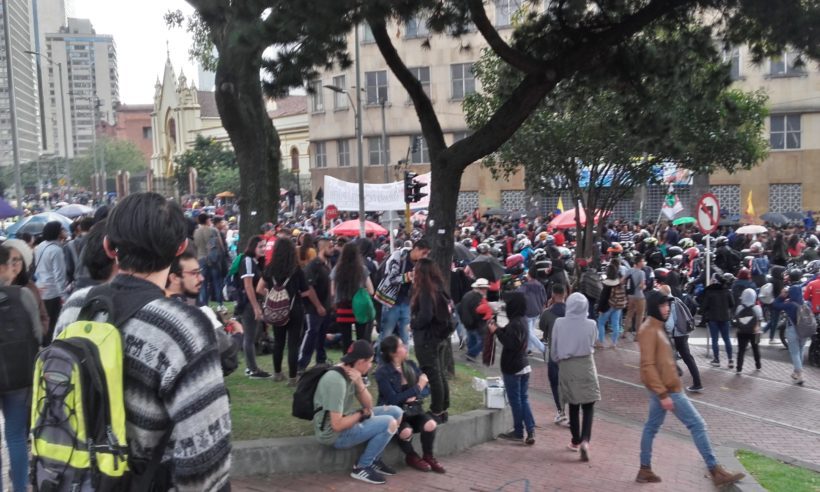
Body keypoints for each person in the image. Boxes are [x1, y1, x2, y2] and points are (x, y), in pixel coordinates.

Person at [54, 192, 232, 491]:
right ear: (180, 248)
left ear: (109, 246)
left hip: (76, 477)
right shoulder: (183, 328)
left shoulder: (76, 308)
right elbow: (206, 463)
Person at [636, 291, 744, 487]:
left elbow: (659, 359)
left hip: (666, 387)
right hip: (667, 390)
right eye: (662, 305)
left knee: (651, 427)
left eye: (667, 305)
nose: (667, 308)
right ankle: (715, 470)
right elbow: (647, 367)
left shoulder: (657, 327)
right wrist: (662, 394)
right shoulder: (649, 330)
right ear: (654, 307)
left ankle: (644, 468)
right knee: (697, 425)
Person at [313, 340, 403, 485]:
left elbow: (369, 405)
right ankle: (362, 467)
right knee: (389, 423)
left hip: (346, 419)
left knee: (396, 412)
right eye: (370, 362)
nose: (371, 366)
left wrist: (359, 383)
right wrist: (361, 414)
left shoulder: (351, 373)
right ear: (361, 361)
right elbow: (336, 425)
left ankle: (374, 460)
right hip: (334, 435)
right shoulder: (336, 381)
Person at [0, 244, 44, 492]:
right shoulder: (23, 295)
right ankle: (19, 487)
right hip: (20, 376)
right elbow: (38, 335)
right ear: (3, 267)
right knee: (16, 436)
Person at [257, 236, 326, 385]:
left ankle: (277, 373)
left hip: (276, 309)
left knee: (279, 342)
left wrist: (273, 296)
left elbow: (259, 288)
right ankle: (293, 378)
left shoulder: (269, 268)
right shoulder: (296, 270)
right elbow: (305, 290)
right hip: (295, 309)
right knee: (293, 343)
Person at [374, 336, 445, 473]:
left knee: (431, 424)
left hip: (415, 410)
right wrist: (417, 388)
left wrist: (415, 394)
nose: (405, 347)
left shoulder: (411, 365)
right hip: (396, 415)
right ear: (393, 352)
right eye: (401, 345)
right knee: (406, 431)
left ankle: (428, 456)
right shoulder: (382, 373)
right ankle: (411, 456)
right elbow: (393, 399)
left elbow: (426, 389)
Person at [551, 293, 600, 461]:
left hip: (567, 366)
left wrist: (559, 361)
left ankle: (575, 441)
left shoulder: (559, 323)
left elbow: (554, 350)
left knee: (573, 404)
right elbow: (594, 342)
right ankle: (586, 440)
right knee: (588, 405)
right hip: (586, 365)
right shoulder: (592, 324)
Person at [410, 257, 452, 423]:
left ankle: (436, 410)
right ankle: (443, 407)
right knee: (440, 373)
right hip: (440, 337)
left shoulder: (426, 291)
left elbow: (425, 315)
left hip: (428, 338)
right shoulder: (440, 288)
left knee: (433, 374)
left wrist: (413, 324)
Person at [492, 292, 536, 445]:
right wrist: (499, 327)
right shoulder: (522, 320)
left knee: (516, 401)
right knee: (523, 399)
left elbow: (511, 343)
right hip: (523, 365)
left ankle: (519, 431)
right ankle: (530, 430)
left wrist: (496, 331)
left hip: (513, 366)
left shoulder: (515, 322)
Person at [376, 239, 431, 347]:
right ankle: (380, 360)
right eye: (424, 253)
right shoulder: (398, 256)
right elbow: (391, 278)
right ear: (416, 249)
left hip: (407, 302)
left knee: (405, 337)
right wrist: (409, 276)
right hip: (391, 301)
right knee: (386, 334)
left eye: (427, 254)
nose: (425, 256)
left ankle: (402, 361)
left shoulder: (420, 264)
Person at [655, 283, 702, 392]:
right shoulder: (676, 299)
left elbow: (670, 325)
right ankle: (696, 382)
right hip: (683, 333)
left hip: (677, 335)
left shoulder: (670, 304)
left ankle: (676, 380)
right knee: (686, 358)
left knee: (671, 356)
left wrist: (663, 326)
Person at [331, 242, 375, 351]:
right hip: (359, 307)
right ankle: (359, 360)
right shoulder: (362, 269)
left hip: (342, 307)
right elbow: (371, 290)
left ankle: (346, 363)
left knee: (345, 338)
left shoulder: (337, 269)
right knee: (361, 338)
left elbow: (332, 292)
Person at [299, 237, 334, 373]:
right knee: (311, 333)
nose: (333, 249)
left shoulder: (327, 264)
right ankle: (301, 364)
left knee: (321, 335)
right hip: (314, 308)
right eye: (330, 247)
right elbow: (309, 288)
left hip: (326, 305)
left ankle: (321, 361)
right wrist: (318, 305)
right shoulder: (313, 265)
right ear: (323, 248)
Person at [238, 235, 270, 379]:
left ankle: (252, 367)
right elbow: (248, 285)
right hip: (248, 303)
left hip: (251, 303)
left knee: (252, 335)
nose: (263, 249)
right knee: (250, 336)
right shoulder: (248, 261)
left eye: (264, 246)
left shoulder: (255, 262)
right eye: (260, 246)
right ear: (253, 248)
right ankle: (252, 369)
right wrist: (256, 306)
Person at [3, 238, 49, 330]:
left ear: (23, 263)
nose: (11, 265)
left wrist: (37, 335)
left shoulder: (30, 287)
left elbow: (43, 317)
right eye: (7, 260)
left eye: (15, 260)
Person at [34, 221, 67, 344]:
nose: (65, 231)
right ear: (58, 233)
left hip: (40, 289)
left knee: (44, 321)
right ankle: (50, 348)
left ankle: (43, 346)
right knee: (53, 324)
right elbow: (59, 276)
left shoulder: (41, 246)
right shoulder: (56, 251)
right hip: (53, 292)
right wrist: (64, 296)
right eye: (62, 229)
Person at [540, 283, 567, 424]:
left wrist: (547, 307)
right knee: (567, 382)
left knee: (554, 382)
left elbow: (541, 326)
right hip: (569, 352)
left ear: (553, 295)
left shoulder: (548, 313)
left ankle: (561, 410)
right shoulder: (570, 311)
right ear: (565, 294)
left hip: (554, 352)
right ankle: (568, 409)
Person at [772, 278, 808, 385]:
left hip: (793, 330)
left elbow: (775, 305)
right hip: (804, 330)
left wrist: (781, 296)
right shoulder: (806, 304)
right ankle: (796, 372)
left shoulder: (789, 305)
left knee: (794, 352)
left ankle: (800, 374)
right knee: (801, 350)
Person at [701, 273, 735, 368]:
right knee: (726, 339)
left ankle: (717, 360)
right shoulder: (727, 291)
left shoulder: (710, 292)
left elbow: (703, 306)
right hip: (725, 318)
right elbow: (732, 304)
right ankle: (730, 360)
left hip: (713, 318)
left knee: (715, 340)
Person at [458, 278, 494, 363]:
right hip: (476, 324)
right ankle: (471, 354)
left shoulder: (467, 294)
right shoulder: (477, 298)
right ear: (482, 288)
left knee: (472, 340)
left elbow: (460, 308)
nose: (487, 290)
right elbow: (479, 312)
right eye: (486, 289)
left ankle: (470, 357)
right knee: (484, 341)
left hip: (467, 323)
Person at [517, 267, 548, 356]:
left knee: (528, 332)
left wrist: (519, 284)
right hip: (537, 311)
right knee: (531, 330)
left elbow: (517, 294)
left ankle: (543, 349)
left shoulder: (525, 286)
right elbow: (544, 298)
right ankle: (528, 349)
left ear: (529, 275)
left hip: (528, 312)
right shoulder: (540, 285)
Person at [596, 260, 626, 348]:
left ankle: (601, 342)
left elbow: (603, 298)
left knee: (601, 323)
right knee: (615, 324)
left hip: (608, 307)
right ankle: (614, 343)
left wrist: (600, 309)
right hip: (618, 305)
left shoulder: (607, 284)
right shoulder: (619, 281)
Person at [733, 288, 763, 375]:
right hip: (754, 331)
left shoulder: (739, 307)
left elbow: (736, 319)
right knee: (756, 348)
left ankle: (739, 368)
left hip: (741, 331)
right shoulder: (757, 308)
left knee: (741, 350)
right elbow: (760, 320)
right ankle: (758, 365)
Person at [623, 254, 647, 340]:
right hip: (639, 296)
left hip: (631, 295)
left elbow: (622, 280)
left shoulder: (630, 270)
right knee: (639, 316)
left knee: (629, 314)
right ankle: (637, 335)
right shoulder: (642, 273)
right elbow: (641, 286)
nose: (644, 262)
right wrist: (644, 286)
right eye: (643, 261)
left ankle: (624, 333)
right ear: (639, 262)